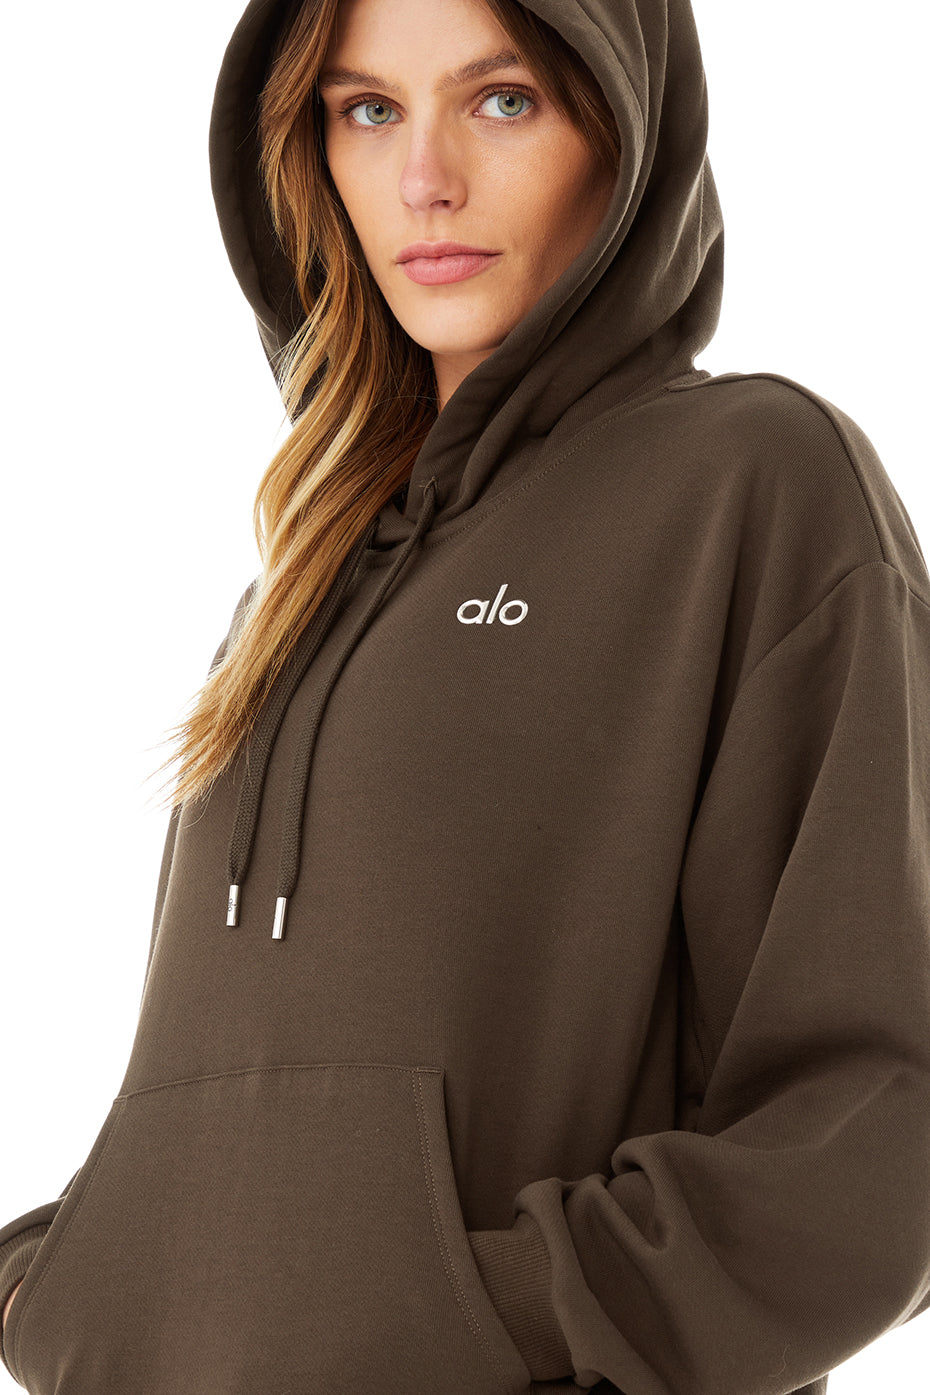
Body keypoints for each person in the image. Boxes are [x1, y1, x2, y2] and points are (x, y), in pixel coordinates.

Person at [2, 0, 929, 1390]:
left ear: (625, 128)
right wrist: (70, 1279)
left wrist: (492, 1306)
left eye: (502, 101)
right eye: (367, 111)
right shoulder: (308, 572)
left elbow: (878, 1128)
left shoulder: (752, 485)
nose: (423, 179)